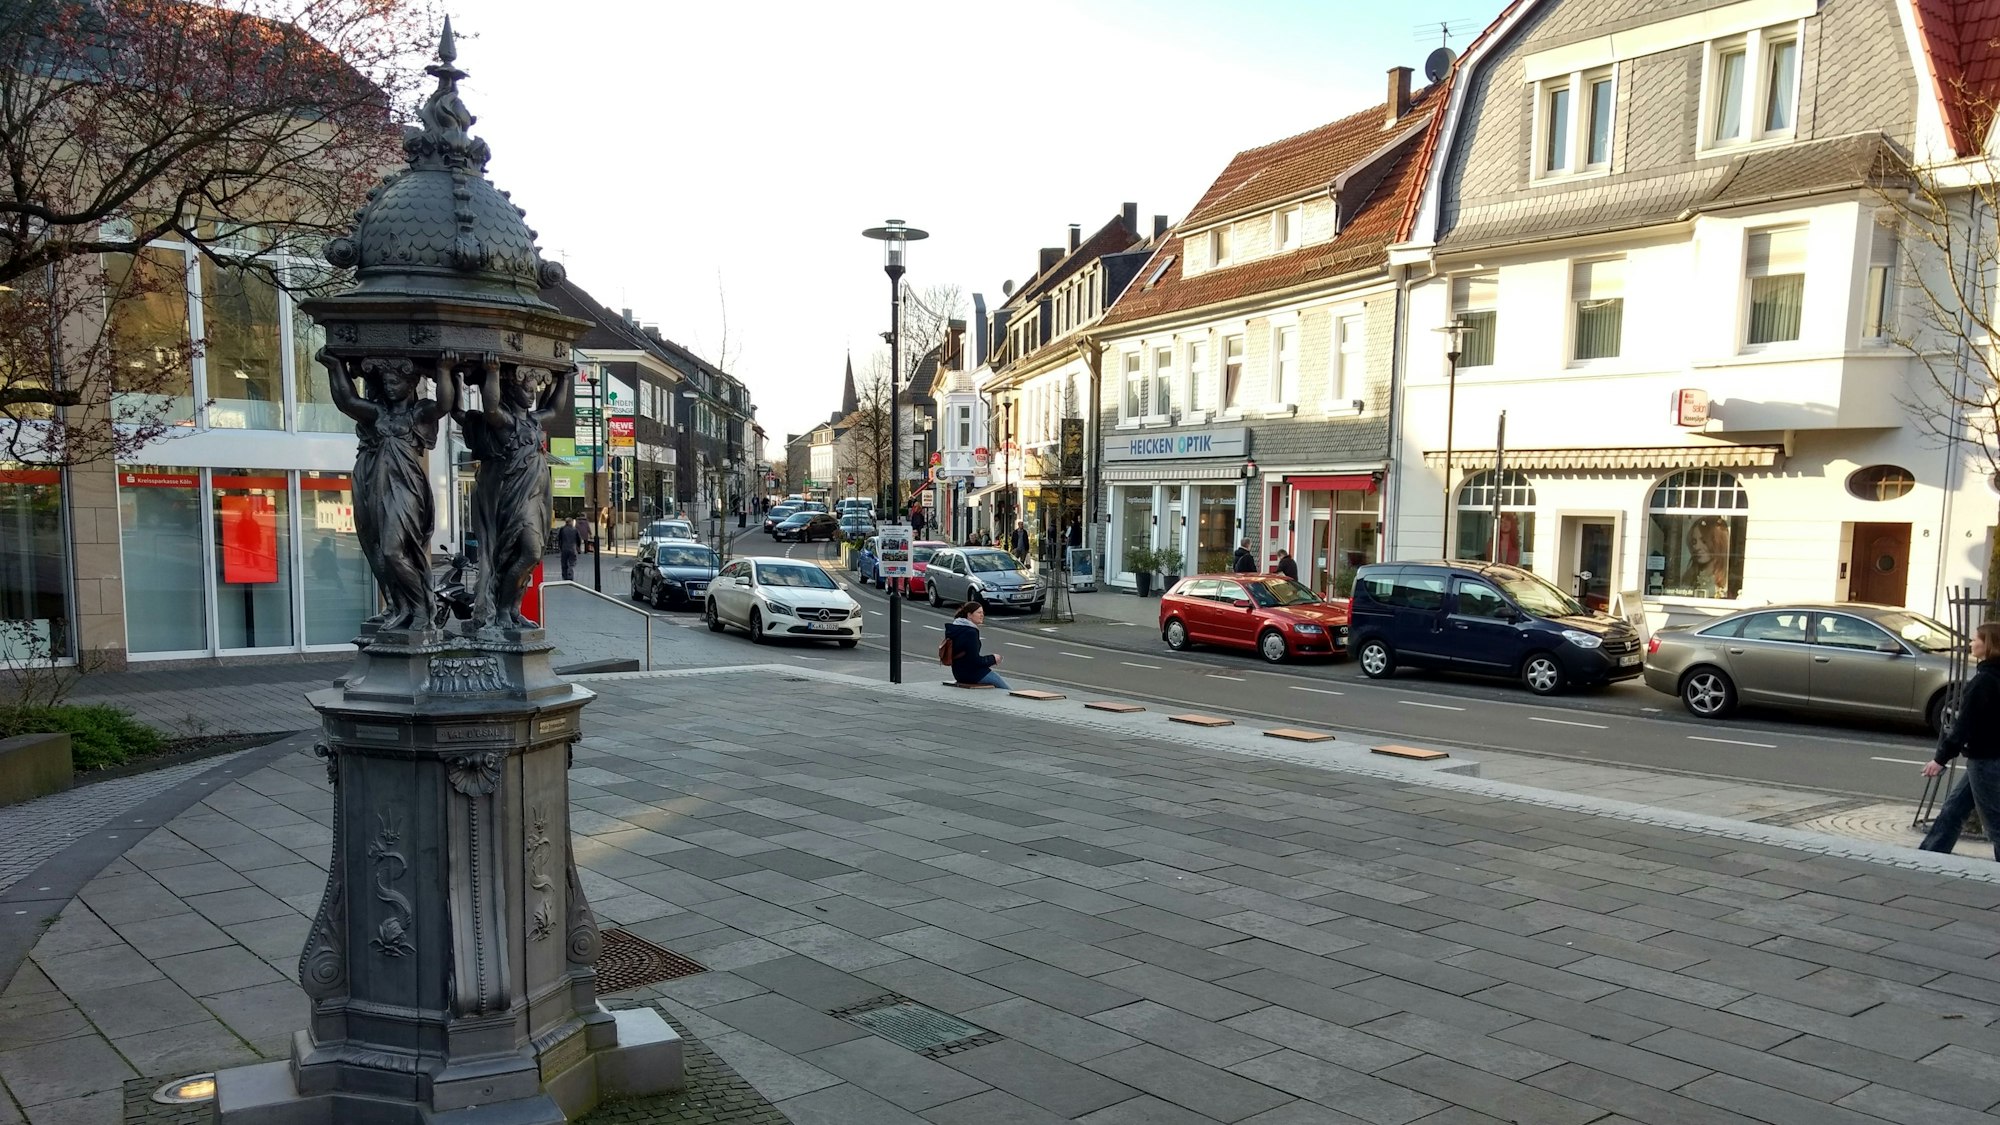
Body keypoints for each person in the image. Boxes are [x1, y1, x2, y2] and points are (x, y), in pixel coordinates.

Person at [1921, 622, 2000, 859]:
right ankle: (1928, 857)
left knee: (1995, 823)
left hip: (1985, 759)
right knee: (1954, 809)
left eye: (1977, 639)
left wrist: (1940, 758)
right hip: (1990, 758)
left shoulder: (1982, 682)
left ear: (1989, 645)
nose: (1971, 643)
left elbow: (1964, 725)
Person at [945, 602, 1009, 689]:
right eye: (979, 613)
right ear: (969, 615)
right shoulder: (970, 632)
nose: (982, 615)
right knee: (1006, 689)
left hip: (958, 673)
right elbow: (974, 661)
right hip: (972, 674)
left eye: (983, 613)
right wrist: (993, 658)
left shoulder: (956, 629)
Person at [555, 517, 583, 581]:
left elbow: (559, 539)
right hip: (572, 548)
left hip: (564, 548)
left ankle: (564, 576)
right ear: (571, 522)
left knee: (564, 563)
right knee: (572, 562)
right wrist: (578, 547)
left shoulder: (562, 529)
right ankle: (570, 574)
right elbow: (579, 539)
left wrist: (560, 547)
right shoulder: (575, 530)